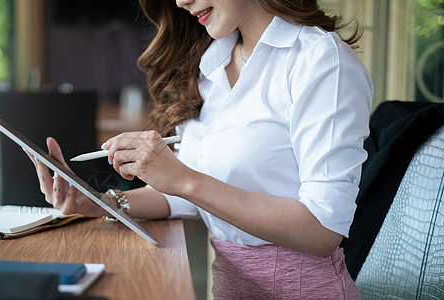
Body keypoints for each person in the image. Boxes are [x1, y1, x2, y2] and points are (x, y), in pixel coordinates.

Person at [27, 0, 372, 298]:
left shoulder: (320, 61)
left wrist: (185, 180)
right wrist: (102, 201)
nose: (180, 2)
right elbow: (183, 195)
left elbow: (322, 228)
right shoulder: (211, 65)